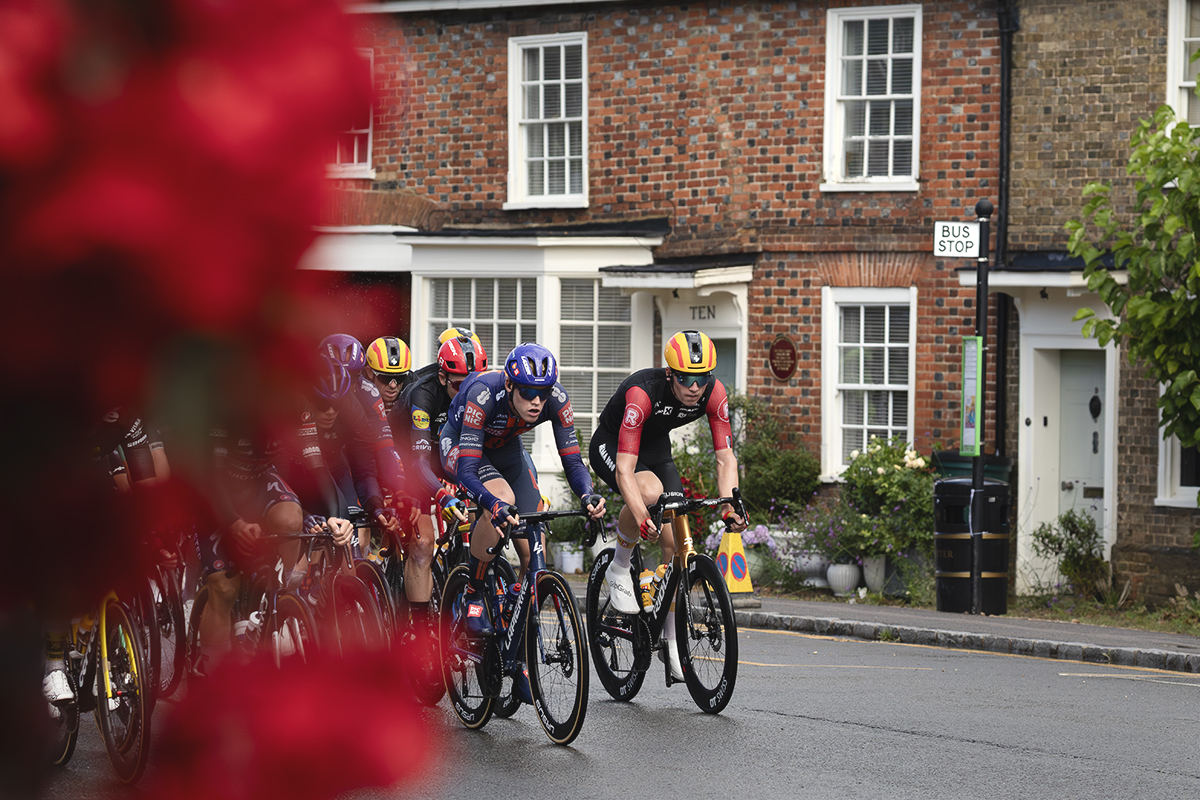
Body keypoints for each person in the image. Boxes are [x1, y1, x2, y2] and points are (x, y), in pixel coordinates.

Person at [439, 343, 605, 699]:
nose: (536, 401)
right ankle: (474, 591)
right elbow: (467, 471)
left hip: (509, 451)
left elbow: (573, 461)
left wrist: (588, 495)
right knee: (503, 499)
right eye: (528, 392)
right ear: (511, 386)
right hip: (463, 447)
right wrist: (492, 505)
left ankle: (520, 655)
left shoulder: (555, 400)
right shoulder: (484, 394)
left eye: (542, 394)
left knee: (533, 552)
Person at [588, 329, 746, 680]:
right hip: (614, 444)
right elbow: (626, 470)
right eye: (687, 379)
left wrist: (729, 506)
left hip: (657, 449)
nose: (695, 387)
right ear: (671, 374)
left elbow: (726, 460)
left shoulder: (714, 394)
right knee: (649, 492)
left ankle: (672, 641)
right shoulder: (642, 393)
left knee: (675, 545)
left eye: (702, 378)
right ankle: (619, 565)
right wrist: (643, 517)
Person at [386, 334, 487, 639]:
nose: (466, 392)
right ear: (442, 377)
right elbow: (418, 463)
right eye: (458, 385)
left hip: (441, 451)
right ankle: (419, 631)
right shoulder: (422, 396)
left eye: (474, 382)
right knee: (421, 544)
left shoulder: (481, 392)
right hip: (406, 456)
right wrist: (441, 495)